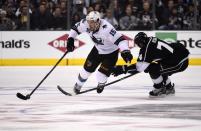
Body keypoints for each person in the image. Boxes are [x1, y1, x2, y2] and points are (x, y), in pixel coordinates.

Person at [67, 11, 133, 94]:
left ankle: (101, 83)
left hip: (111, 54)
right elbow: (75, 29)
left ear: (98, 21)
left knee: (100, 75)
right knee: (86, 71)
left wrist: (125, 51)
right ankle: (78, 85)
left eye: (92, 23)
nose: (89, 25)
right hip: (97, 50)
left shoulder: (107, 29)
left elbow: (121, 40)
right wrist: (70, 39)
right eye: (89, 22)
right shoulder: (86, 23)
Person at [111, 32, 190, 98]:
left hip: (179, 63)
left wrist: (123, 69)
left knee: (153, 69)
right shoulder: (151, 39)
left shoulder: (147, 49)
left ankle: (159, 88)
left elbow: (140, 68)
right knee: (158, 67)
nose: (139, 46)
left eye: (138, 44)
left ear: (141, 43)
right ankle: (168, 87)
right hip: (177, 57)